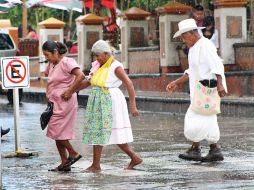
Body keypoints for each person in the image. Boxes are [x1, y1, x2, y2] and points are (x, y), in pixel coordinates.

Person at [166, 19, 227, 162]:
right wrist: (177, 82)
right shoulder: (193, 48)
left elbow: (217, 65)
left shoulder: (205, 45)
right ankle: (212, 149)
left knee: (195, 117)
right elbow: (191, 71)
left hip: (208, 88)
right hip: (199, 90)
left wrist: (220, 84)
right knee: (206, 117)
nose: (183, 40)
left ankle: (198, 149)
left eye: (184, 36)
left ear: (192, 33)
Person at [78, 40, 143, 173]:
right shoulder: (98, 66)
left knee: (109, 131)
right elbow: (89, 81)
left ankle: (98, 165)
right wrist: (71, 91)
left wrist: (133, 106)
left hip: (110, 99)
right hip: (98, 100)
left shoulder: (115, 66)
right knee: (99, 131)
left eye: (98, 55)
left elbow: (129, 84)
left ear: (106, 53)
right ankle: (132, 158)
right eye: (95, 56)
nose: (97, 58)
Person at [42, 40, 85, 171]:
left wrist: (69, 90)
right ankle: (64, 162)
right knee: (57, 133)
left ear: (55, 52)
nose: (46, 58)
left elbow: (81, 76)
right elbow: (49, 78)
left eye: (47, 54)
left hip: (66, 102)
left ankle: (73, 153)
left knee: (55, 130)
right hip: (55, 102)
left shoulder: (67, 62)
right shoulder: (52, 63)